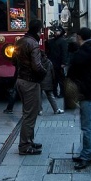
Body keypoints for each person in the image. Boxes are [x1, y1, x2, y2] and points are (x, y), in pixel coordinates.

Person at [67, 28, 91, 170]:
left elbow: (73, 70)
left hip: (88, 92)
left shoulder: (85, 52)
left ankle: (87, 155)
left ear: (79, 36)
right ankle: (89, 152)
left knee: (87, 126)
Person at [15, 19, 46, 155]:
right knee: (30, 115)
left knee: (28, 112)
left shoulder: (20, 41)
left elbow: (13, 60)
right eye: (41, 29)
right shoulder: (33, 43)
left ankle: (29, 140)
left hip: (20, 80)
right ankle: (25, 145)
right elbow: (37, 66)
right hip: (30, 82)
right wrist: (44, 73)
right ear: (38, 30)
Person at [46, 26, 68, 98]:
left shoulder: (63, 41)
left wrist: (63, 63)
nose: (56, 32)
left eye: (57, 31)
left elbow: (64, 52)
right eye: (55, 31)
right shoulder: (51, 41)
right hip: (53, 62)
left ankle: (62, 93)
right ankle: (55, 92)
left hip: (59, 63)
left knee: (61, 79)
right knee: (54, 79)